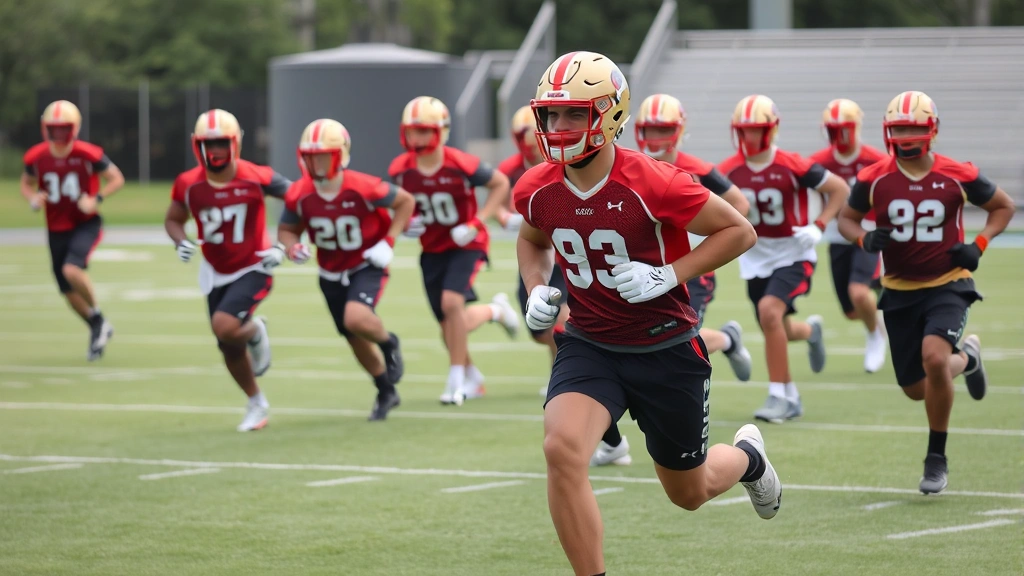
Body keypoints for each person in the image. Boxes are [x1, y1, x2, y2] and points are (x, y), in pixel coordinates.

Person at [517, 51, 780, 576]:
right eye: (551, 114)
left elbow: (739, 230)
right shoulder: (537, 186)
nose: (559, 126)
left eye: (574, 113)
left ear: (610, 114)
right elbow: (531, 240)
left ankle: (749, 458)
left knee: (690, 492)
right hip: (591, 344)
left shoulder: (654, 180)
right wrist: (535, 288)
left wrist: (668, 274)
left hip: (665, 346)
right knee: (562, 449)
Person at [838, 90, 1014, 494]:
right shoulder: (873, 177)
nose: (905, 137)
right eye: (899, 128)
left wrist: (979, 245)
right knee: (915, 388)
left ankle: (936, 457)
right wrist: (864, 238)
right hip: (899, 290)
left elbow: (1003, 206)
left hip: (948, 283)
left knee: (934, 358)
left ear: (932, 130)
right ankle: (967, 359)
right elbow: (847, 219)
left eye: (913, 128)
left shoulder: (958, 173)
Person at [718, 94, 850, 423]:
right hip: (755, 257)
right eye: (744, 130)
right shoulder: (727, 170)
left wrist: (819, 226)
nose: (749, 137)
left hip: (794, 254)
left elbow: (839, 189)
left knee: (769, 312)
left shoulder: (792, 164)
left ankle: (780, 395)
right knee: (776, 326)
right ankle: (810, 334)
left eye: (756, 130)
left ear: (771, 130)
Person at [277, 119, 414, 421]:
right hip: (329, 271)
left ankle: (389, 342)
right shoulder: (299, 192)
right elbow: (287, 230)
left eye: (323, 156)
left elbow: (405, 202)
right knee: (353, 336)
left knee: (356, 318)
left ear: (340, 155)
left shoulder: (362, 186)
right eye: (311, 157)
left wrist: (389, 241)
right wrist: (292, 247)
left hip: (366, 263)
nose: (316, 164)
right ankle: (385, 390)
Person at [164, 109, 291, 432]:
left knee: (224, 326)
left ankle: (255, 330)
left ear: (235, 143)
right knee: (228, 346)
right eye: (209, 144)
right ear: (197, 145)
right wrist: (180, 241)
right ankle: (256, 402)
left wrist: (282, 245)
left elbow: (299, 200)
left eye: (221, 143)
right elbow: (174, 218)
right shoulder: (188, 183)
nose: (215, 150)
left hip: (254, 265)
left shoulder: (256, 176)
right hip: (215, 270)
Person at [388, 96, 518, 405]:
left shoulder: (460, 163)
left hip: (466, 244)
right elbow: (400, 205)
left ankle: (455, 381)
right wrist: (406, 223)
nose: (417, 139)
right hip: (432, 248)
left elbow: (500, 184)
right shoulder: (401, 169)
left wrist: (477, 221)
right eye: (412, 131)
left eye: (424, 131)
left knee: (451, 303)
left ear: (440, 132)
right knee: (448, 326)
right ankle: (490, 328)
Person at [21, 100, 124, 360]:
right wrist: (33, 198)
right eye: (53, 128)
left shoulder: (87, 153)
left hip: (84, 223)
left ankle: (97, 315)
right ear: (45, 129)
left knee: (71, 269)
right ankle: (97, 325)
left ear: (74, 128)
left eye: (63, 128)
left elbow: (116, 178)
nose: (58, 134)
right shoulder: (36, 156)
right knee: (66, 290)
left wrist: (96, 199)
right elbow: (26, 183)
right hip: (55, 227)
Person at [809, 98, 888, 373]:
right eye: (834, 130)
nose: (840, 136)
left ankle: (875, 336)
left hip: (867, 234)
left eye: (845, 129)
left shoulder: (876, 160)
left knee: (859, 292)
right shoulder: (819, 162)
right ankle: (880, 297)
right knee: (852, 310)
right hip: (837, 236)